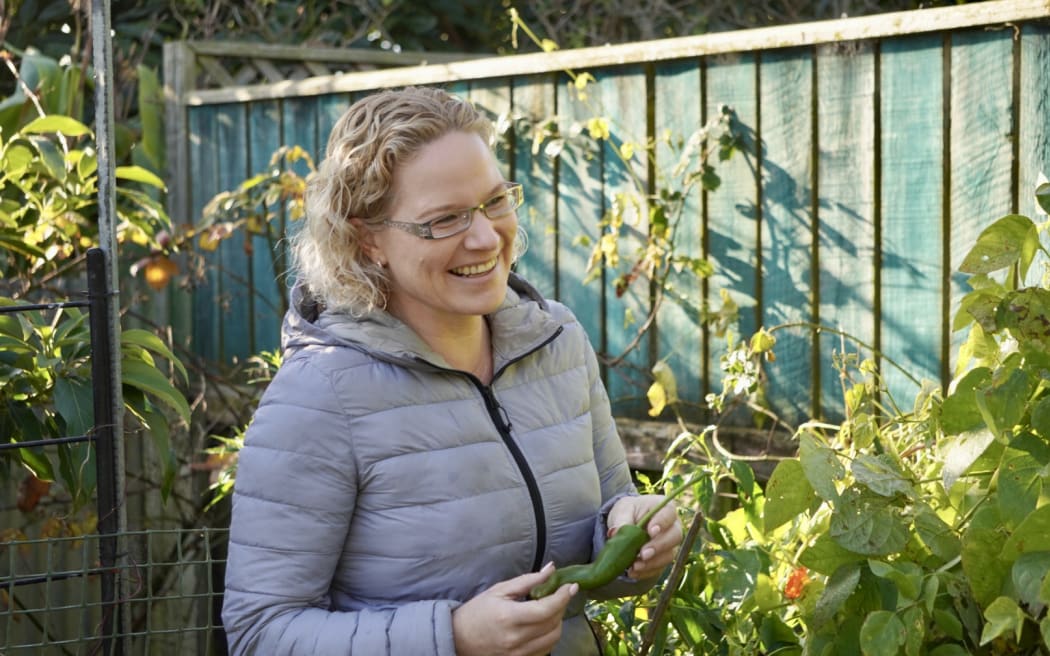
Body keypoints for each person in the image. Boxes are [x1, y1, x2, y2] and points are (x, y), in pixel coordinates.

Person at [221, 85, 684, 655]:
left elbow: (602, 538)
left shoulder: (558, 343)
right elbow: (261, 634)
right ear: (368, 241)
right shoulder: (319, 397)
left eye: (495, 201)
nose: (487, 236)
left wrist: (636, 535)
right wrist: (454, 638)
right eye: (444, 220)